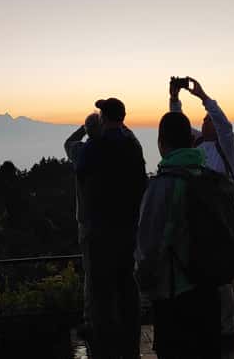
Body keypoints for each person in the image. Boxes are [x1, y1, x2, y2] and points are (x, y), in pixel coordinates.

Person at [135, 110, 220, 359]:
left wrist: (144, 283)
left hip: (174, 292)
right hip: (210, 290)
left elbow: (148, 246)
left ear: (161, 143)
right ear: (191, 140)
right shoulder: (210, 177)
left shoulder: (162, 185)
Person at [169, 76, 234, 346]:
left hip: (220, 218)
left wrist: (203, 97)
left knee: (222, 274)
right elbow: (179, 127)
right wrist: (175, 98)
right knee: (203, 270)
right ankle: (212, 323)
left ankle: (227, 328)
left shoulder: (227, 146)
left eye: (208, 120)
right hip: (199, 216)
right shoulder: (198, 143)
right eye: (204, 120)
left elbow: (224, 123)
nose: (205, 121)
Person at [75, 97, 147, 359]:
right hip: (127, 228)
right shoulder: (133, 146)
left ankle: (104, 343)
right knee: (126, 283)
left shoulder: (95, 146)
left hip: (99, 228)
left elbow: (80, 171)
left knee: (101, 287)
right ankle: (130, 340)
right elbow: (141, 183)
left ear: (104, 118)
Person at [65, 111, 103, 335]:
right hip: (111, 222)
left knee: (91, 273)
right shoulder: (112, 151)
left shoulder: (80, 151)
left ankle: (91, 320)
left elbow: (68, 142)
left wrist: (82, 128)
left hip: (87, 222)